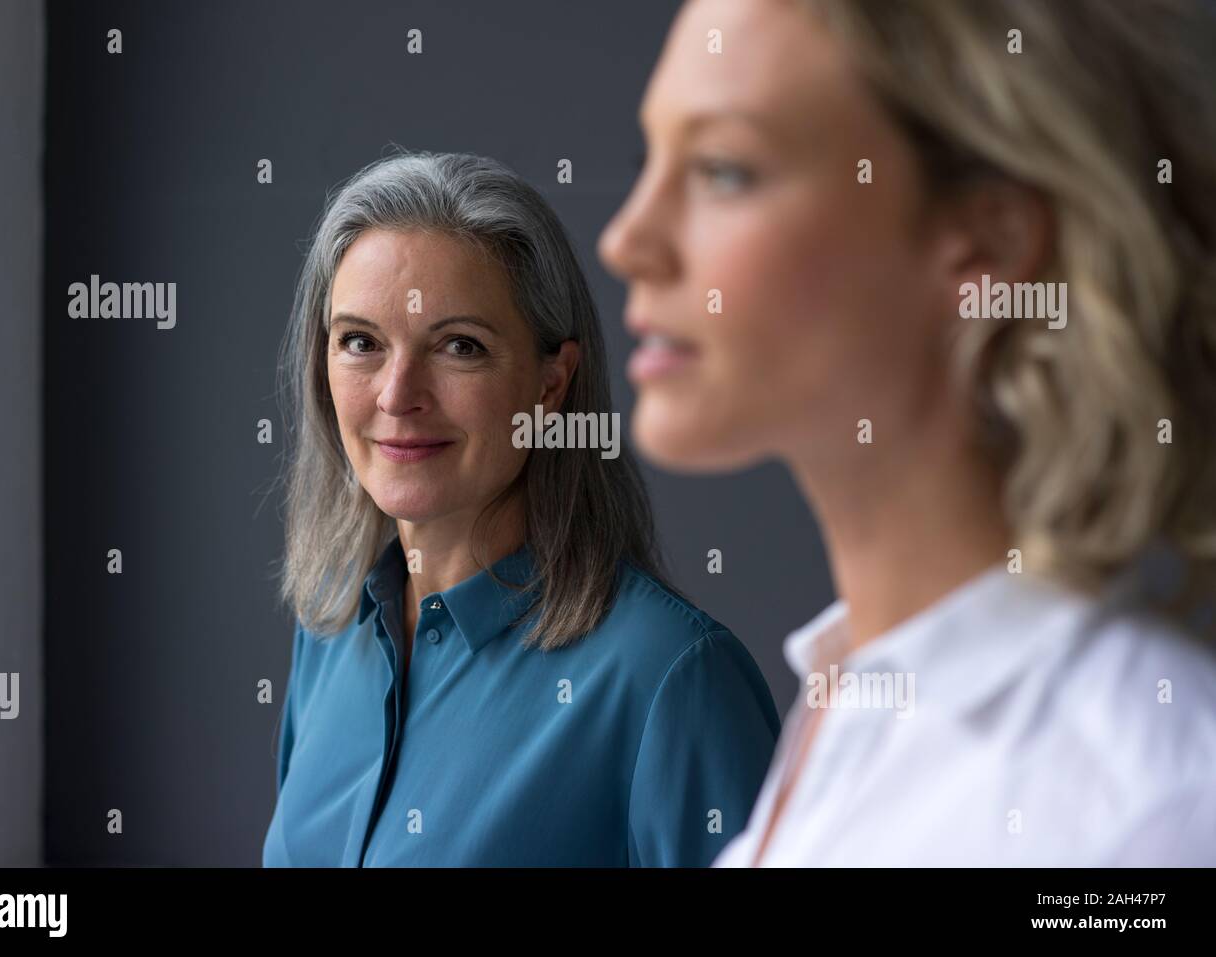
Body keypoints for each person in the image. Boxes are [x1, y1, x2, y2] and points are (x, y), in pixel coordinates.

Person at [598, 0, 1216, 865]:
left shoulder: (1151, 808)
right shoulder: (841, 710)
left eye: (723, 170)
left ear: (984, 244)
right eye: (648, 159)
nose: (627, 239)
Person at [263, 150, 780, 867]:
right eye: (361, 342)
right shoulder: (327, 628)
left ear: (550, 384)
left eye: (459, 346)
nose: (396, 395)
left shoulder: (671, 679)